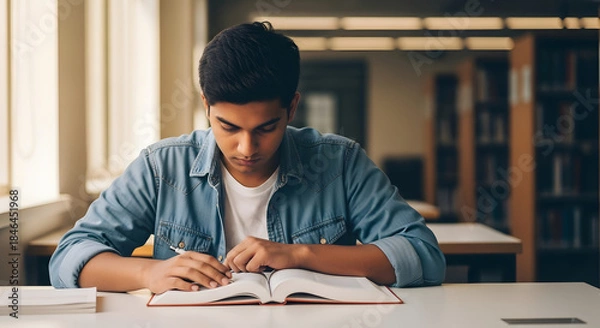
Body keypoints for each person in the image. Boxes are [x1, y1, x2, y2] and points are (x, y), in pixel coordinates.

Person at [49, 21, 445, 293]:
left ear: (291, 108)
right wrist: (150, 272)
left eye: (265, 128)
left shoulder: (339, 162)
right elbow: (69, 259)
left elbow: (423, 256)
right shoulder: (161, 167)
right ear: (206, 106)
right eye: (228, 127)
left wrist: (300, 255)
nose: (246, 149)